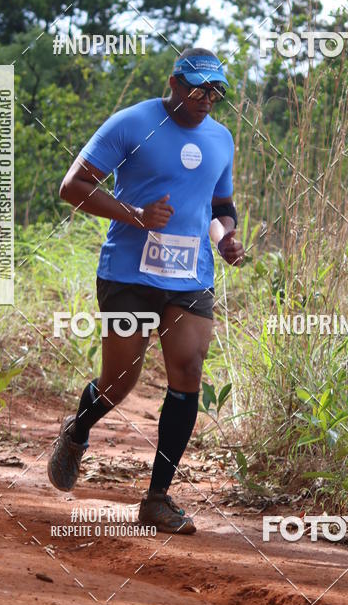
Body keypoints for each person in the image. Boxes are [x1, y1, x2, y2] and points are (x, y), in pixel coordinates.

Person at [47, 47, 244, 534]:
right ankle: (78, 432)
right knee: (119, 383)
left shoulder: (221, 139)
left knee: (189, 369)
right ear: (175, 83)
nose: (207, 99)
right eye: (198, 88)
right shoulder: (132, 123)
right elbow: (73, 186)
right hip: (129, 274)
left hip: (190, 277)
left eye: (215, 91)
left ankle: (157, 498)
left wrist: (226, 240)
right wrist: (134, 215)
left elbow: (220, 206)